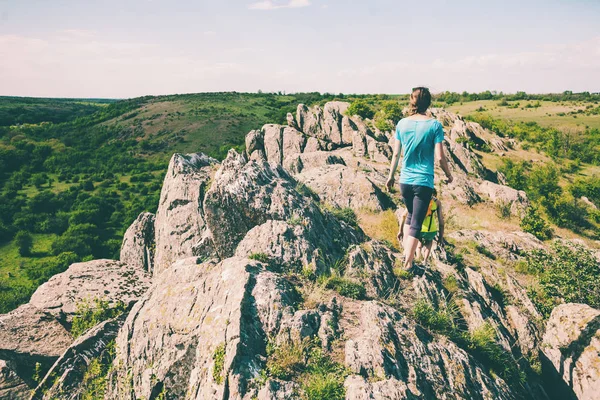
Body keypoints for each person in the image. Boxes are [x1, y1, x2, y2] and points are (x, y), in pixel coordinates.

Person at [386, 87, 453, 270]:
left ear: (411, 101)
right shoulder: (434, 125)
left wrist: (391, 176)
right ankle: (407, 263)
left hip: (405, 181)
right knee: (416, 222)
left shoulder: (402, 124)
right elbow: (440, 157)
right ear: (428, 103)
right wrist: (449, 175)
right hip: (423, 182)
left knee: (410, 218)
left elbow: (396, 154)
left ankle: (406, 255)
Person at [398, 188, 444, 264]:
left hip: (418, 228)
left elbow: (403, 215)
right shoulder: (437, 202)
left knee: (418, 242)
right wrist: (441, 237)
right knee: (429, 242)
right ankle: (425, 260)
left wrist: (400, 230)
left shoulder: (417, 200)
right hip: (431, 229)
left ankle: (418, 257)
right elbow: (441, 222)